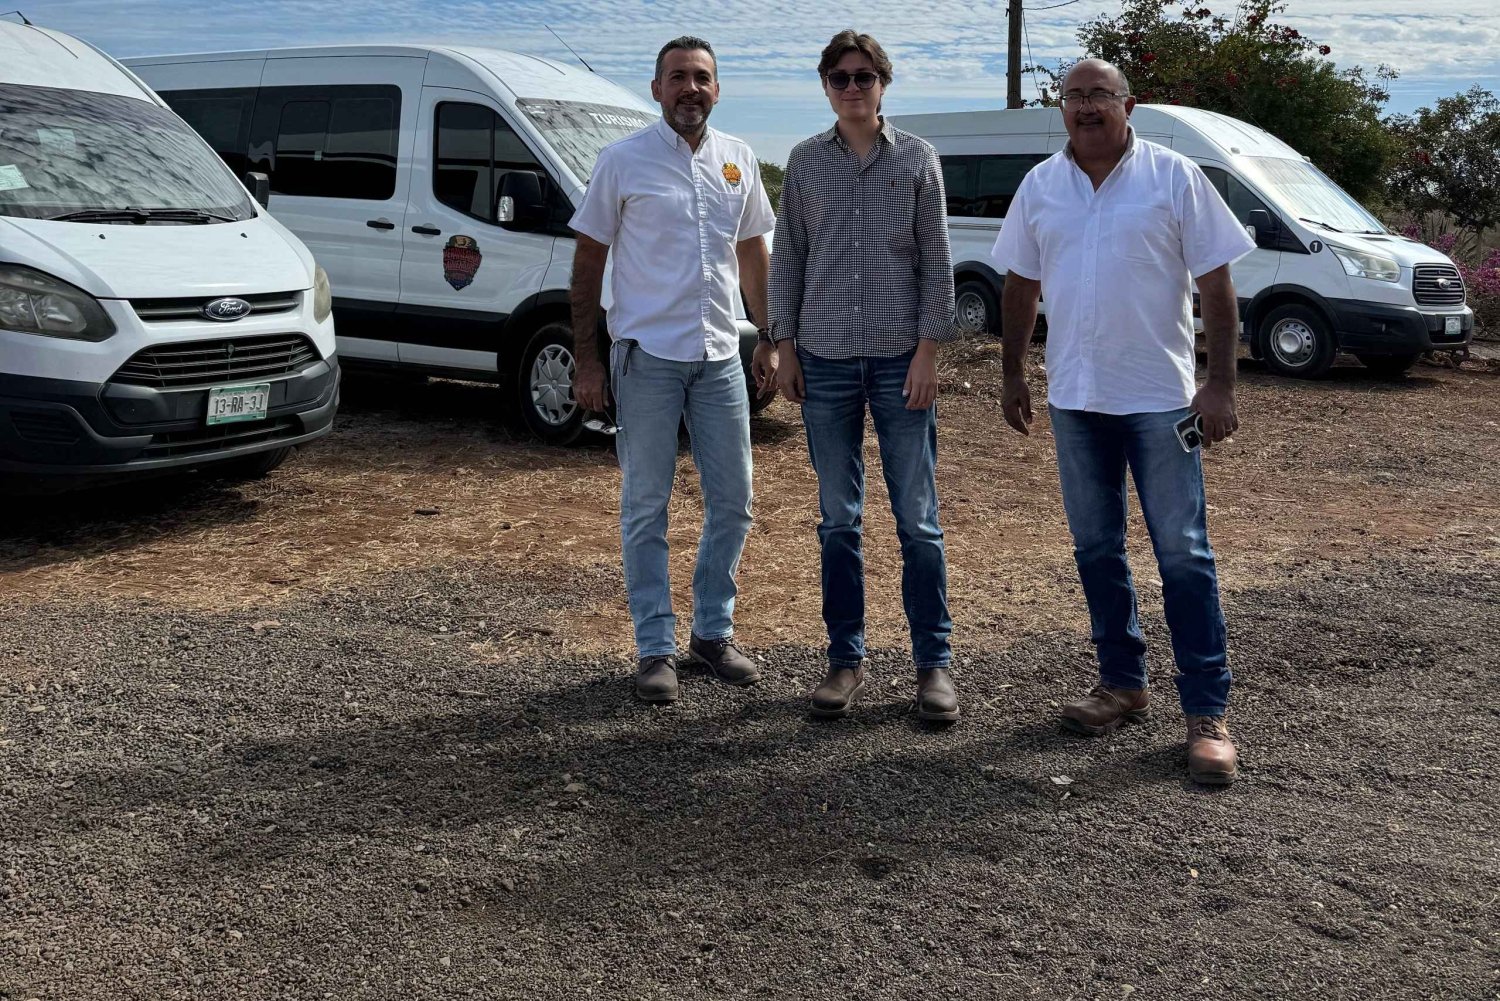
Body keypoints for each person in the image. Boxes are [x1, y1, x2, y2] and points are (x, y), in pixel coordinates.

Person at [992, 58, 1256, 784]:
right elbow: (1018, 283)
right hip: (1076, 399)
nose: (1085, 107)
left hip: (1162, 401)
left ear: (1127, 104)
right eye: (1073, 96)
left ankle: (1206, 714)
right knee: (1097, 549)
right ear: (1061, 107)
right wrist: (1013, 372)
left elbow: (1217, 287)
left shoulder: (1174, 177)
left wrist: (1221, 385)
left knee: (1183, 554)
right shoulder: (1041, 185)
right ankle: (1122, 682)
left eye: (1099, 95)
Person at [568, 36, 779, 703]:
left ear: (718, 89)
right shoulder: (622, 163)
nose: (692, 88)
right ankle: (655, 645)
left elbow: (752, 256)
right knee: (646, 506)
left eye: (704, 78)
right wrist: (587, 355)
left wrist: (770, 336)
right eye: (679, 77)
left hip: (720, 358)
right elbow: (588, 263)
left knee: (735, 502)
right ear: (657, 89)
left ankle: (712, 633)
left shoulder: (738, 161)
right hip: (647, 361)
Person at [769, 30, 959, 722]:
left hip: (897, 360)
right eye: (840, 77)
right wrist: (783, 344)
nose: (852, 88)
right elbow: (787, 256)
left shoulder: (917, 160)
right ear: (825, 85)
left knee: (918, 521)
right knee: (838, 520)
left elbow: (938, 262)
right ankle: (844, 660)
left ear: (884, 83)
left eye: (864, 76)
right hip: (822, 359)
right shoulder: (804, 163)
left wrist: (929, 352)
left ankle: (933, 666)